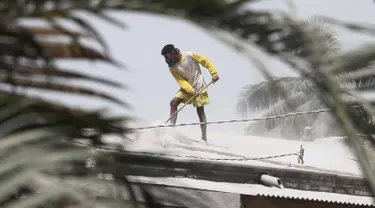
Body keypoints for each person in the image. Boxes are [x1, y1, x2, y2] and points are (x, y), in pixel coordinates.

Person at [161, 44, 219, 142]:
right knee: (173, 103)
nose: (166, 59)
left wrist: (214, 74)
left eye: (167, 56)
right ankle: (171, 131)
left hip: (200, 86)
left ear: (172, 53)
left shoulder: (189, 55)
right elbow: (181, 81)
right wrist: (191, 91)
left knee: (200, 111)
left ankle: (204, 138)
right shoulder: (172, 68)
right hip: (187, 89)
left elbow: (205, 61)